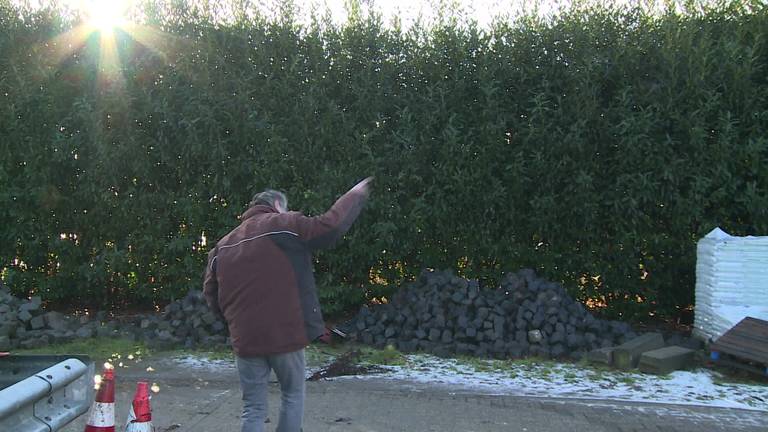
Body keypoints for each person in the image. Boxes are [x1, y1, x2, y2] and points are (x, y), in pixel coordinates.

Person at [203, 177, 373, 432]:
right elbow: (330, 227)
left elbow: (211, 295)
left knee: (253, 408)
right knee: (292, 396)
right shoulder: (284, 224)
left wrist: (234, 325)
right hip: (285, 335)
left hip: (246, 339)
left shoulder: (222, 246)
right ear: (277, 205)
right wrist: (354, 194)